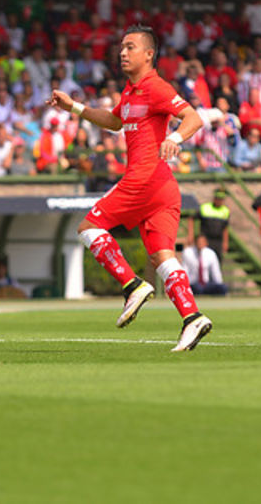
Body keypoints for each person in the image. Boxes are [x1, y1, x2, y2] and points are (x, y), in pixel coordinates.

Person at [47, 25, 212, 352]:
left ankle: (131, 284)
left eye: (130, 47)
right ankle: (192, 317)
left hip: (145, 178)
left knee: (89, 227)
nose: (123, 52)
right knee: (162, 255)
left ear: (149, 55)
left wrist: (174, 138)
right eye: (122, 47)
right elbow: (113, 121)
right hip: (163, 187)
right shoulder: (130, 91)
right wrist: (74, 108)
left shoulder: (156, 87)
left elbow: (193, 117)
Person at [195, 188, 231, 263]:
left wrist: (225, 242)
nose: (219, 201)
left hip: (218, 241)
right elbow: (192, 219)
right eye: (217, 199)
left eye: (221, 199)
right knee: (204, 262)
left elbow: (225, 228)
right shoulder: (204, 208)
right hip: (206, 240)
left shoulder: (225, 211)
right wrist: (193, 235)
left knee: (217, 262)